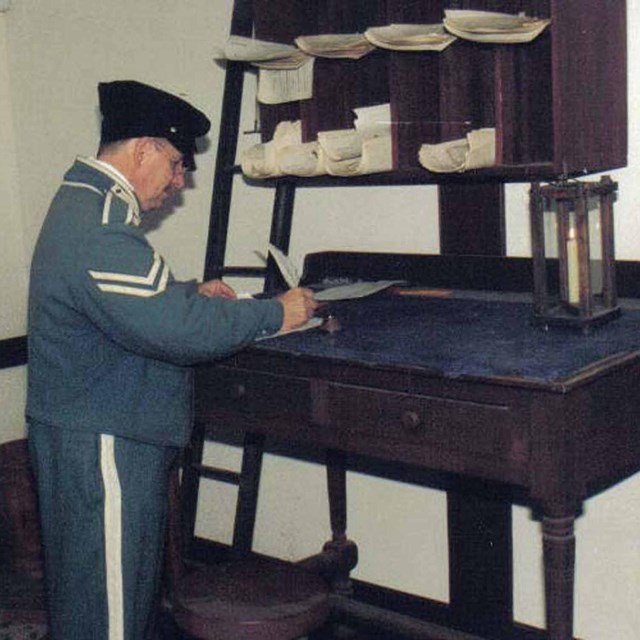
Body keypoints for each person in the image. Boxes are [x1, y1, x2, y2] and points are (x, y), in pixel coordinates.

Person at [26, 79, 318, 640]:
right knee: (107, 617)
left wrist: (186, 293)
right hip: (104, 444)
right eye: (178, 163)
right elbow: (176, 331)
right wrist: (275, 312)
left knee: (98, 602)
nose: (179, 182)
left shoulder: (86, 205)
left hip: (89, 433)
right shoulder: (102, 225)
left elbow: (125, 308)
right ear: (144, 150)